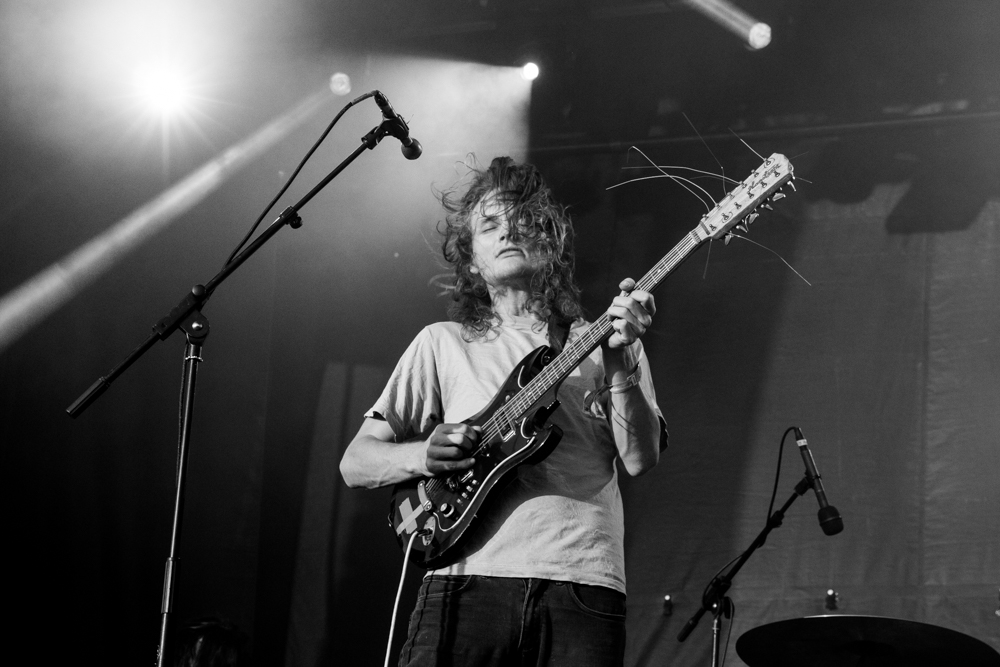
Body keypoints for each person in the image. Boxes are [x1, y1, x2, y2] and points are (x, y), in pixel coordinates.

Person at [340, 156, 667, 666]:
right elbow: (355, 463)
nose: (508, 231)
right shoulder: (442, 342)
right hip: (465, 580)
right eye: (490, 224)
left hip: (583, 584)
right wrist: (423, 455)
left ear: (551, 244)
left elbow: (641, 459)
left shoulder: (609, 341)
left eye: (524, 221)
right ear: (472, 259)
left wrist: (619, 361)